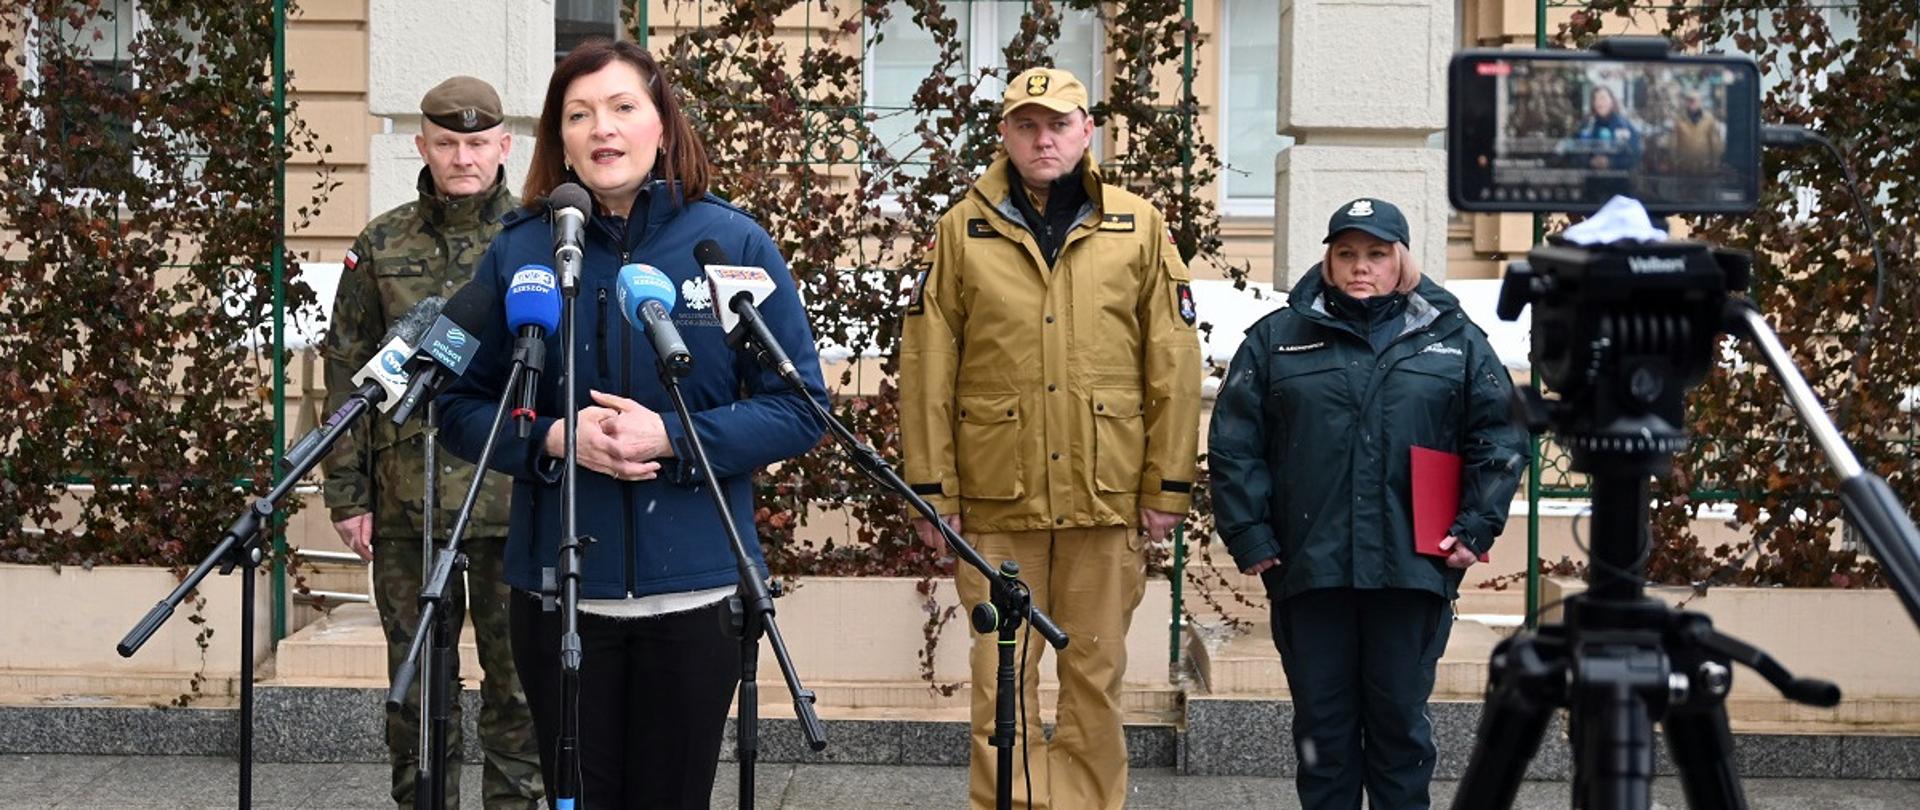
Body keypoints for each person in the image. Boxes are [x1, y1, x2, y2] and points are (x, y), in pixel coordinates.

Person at [434, 39, 829, 809]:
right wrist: (551, 439)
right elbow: (454, 405)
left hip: (696, 597)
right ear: (560, 138)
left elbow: (799, 406)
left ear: (661, 124)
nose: (601, 129)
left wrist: (673, 439)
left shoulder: (731, 246)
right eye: (578, 115)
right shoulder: (519, 252)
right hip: (557, 599)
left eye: (622, 108)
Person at [898, 66, 1202, 810]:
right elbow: (926, 366)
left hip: (1107, 495)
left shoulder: (1137, 224)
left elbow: (1173, 358)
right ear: (1004, 132)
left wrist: (1167, 486)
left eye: (1058, 123)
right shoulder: (962, 229)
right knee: (1000, 677)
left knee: (1094, 676)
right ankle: (1013, 805)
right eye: (1026, 124)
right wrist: (935, 495)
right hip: (997, 499)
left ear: (1086, 130)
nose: (1043, 138)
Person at [1207, 198, 1526, 810]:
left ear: (1401, 259)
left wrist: (1474, 528)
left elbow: (1501, 437)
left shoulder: (1454, 339)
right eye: (1347, 254)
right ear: (1328, 259)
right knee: (1323, 735)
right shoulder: (1277, 339)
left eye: (1377, 254)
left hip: (1412, 572)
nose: (1361, 267)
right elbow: (1234, 444)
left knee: (1400, 733)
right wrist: (1252, 537)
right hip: (1310, 570)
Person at [320, 75, 544, 810]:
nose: (462, 157)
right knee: (417, 696)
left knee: (519, 697)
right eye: (447, 143)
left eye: (478, 143)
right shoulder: (381, 245)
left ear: (505, 146)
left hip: (517, 504)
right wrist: (347, 495)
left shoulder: (535, 241)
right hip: (409, 511)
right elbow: (346, 375)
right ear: (422, 146)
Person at [1569, 85, 1643, 171]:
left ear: (1611, 101)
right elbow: (1573, 149)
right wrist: (1589, 161)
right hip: (1592, 180)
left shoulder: (1623, 125)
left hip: (1618, 181)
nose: (1599, 102)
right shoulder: (1587, 125)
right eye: (1595, 99)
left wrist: (1611, 162)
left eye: (1602, 98)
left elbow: (1635, 153)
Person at [1670, 89, 1725, 173]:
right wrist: (1674, 161)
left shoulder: (1709, 119)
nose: (1692, 102)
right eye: (1689, 100)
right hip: (1684, 168)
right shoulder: (1679, 120)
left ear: (1700, 102)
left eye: (1695, 100)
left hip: (1705, 168)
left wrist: (1715, 162)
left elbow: (1715, 142)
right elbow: (1673, 142)